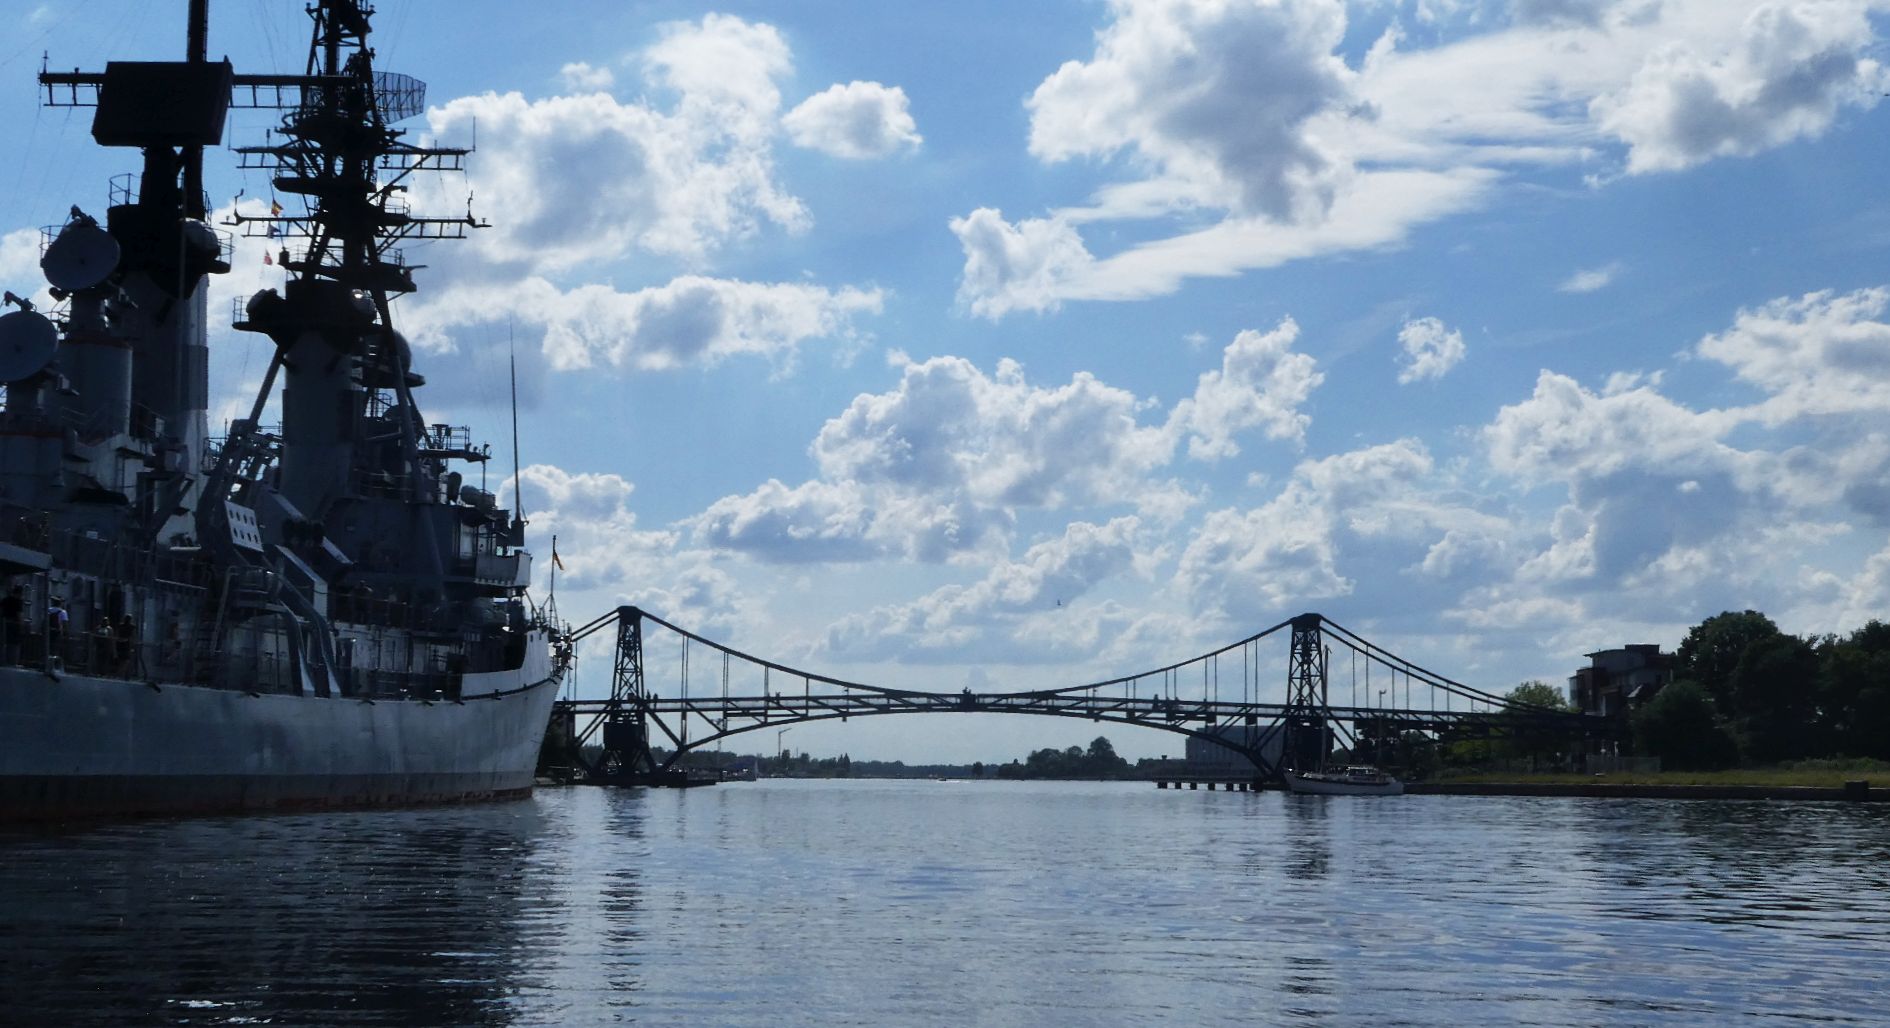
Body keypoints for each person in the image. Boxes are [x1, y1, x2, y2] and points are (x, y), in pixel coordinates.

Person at [1, 585, 22, 666]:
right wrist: (21, 625)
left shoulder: (4, 600)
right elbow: (19, 614)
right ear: (20, 593)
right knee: (14, 644)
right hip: (14, 624)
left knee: (3, 642)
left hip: (4, 624)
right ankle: (13, 662)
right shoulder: (18, 601)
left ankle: (3, 661)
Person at [46, 596, 68, 671]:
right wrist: (66, 633)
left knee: (48, 648)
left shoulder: (49, 610)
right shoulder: (63, 612)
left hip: (48, 632)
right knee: (56, 649)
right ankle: (55, 667)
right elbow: (65, 624)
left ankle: (46, 664)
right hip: (57, 632)